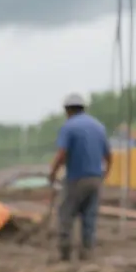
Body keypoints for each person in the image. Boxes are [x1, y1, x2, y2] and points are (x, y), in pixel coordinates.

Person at [47, 92, 111, 262]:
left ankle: (65, 254)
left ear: (67, 110)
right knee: (89, 217)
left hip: (76, 179)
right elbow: (109, 156)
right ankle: (87, 254)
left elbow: (62, 154)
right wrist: (105, 174)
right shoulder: (99, 126)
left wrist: (52, 174)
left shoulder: (69, 127)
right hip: (95, 179)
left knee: (66, 214)